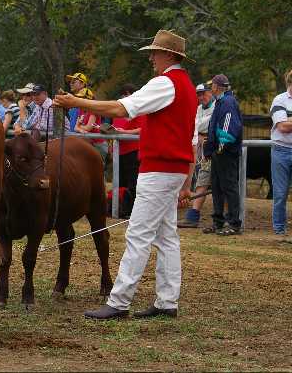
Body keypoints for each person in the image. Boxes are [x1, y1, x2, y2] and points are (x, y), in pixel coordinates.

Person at [54, 29, 198, 320]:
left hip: (159, 170)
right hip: (170, 169)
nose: (151, 59)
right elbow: (189, 138)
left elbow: (120, 109)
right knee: (166, 236)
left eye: (155, 53)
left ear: (169, 55)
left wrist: (76, 102)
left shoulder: (165, 84)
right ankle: (167, 300)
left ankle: (119, 301)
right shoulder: (184, 86)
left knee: (139, 234)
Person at [202, 74, 243, 236]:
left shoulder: (227, 102)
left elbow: (228, 127)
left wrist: (220, 148)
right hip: (219, 152)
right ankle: (218, 222)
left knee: (229, 188)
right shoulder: (221, 102)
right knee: (218, 188)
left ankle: (234, 223)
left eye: (211, 86)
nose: (210, 88)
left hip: (225, 153)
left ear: (217, 87)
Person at [178, 82, 216, 228]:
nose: (201, 97)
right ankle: (194, 215)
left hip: (212, 149)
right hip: (202, 150)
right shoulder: (198, 109)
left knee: (218, 183)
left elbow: (201, 125)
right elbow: (195, 125)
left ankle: (228, 216)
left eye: (203, 93)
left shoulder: (217, 107)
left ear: (210, 92)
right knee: (203, 180)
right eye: (198, 94)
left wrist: (201, 131)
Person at [111, 83, 146, 217]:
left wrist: (126, 132)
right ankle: (120, 209)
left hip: (134, 150)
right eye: (124, 94)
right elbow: (115, 129)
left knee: (133, 182)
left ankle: (131, 211)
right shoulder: (118, 113)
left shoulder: (140, 111)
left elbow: (143, 129)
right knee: (120, 182)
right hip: (119, 151)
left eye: (129, 93)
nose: (126, 96)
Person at [270, 69, 292, 240]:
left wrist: (289, 120)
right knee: (280, 192)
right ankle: (279, 229)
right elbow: (282, 127)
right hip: (281, 150)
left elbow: (287, 123)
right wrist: (286, 122)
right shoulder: (279, 99)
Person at [74, 87, 108, 163]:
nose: (79, 100)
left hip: (98, 144)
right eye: (79, 97)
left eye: (81, 98)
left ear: (88, 99)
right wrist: (80, 129)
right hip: (88, 143)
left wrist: (79, 127)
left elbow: (88, 128)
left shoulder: (93, 110)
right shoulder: (81, 109)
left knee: (99, 169)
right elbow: (75, 128)